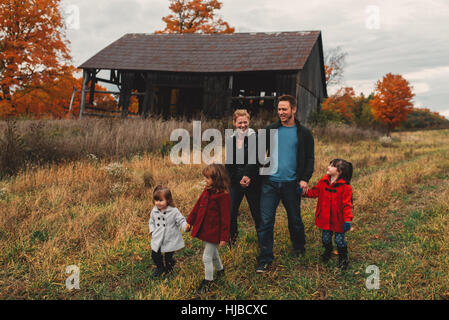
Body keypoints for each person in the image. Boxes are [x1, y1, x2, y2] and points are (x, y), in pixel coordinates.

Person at [256, 94, 315, 273]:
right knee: (266, 221)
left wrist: (305, 178)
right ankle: (265, 258)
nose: (281, 112)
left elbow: (310, 158)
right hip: (270, 184)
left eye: (284, 109)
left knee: (295, 219)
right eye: (279, 109)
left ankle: (299, 247)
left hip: (292, 184)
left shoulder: (304, 133)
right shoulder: (270, 130)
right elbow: (257, 154)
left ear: (293, 110)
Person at [185, 164, 231, 293]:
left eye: (208, 178)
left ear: (217, 179)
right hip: (205, 229)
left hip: (215, 232)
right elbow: (197, 205)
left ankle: (208, 281)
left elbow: (226, 218)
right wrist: (190, 221)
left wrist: (224, 237)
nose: (205, 180)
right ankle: (221, 270)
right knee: (213, 253)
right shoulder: (207, 190)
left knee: (206, 257)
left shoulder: (223, 196)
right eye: (205, 177)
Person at [303, 159, 353, 270]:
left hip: (339, 220)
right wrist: (303, 192)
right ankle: (328, 251)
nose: (328, 167)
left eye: (332, 166)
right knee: (325, 239)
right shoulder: (323, 181)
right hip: (325, 218)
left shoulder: (345, 187)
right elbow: (315, 192)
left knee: (339, 240)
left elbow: (347, 205)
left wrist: (348, 219)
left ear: (339, 171)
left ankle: (343, 259)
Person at [225, 109, 261, 245]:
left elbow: (255, 159)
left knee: (257, 212)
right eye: (240, 122)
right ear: (234, 123)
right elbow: (229, 163)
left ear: (249, 122)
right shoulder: (231, 140)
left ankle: (262, 241)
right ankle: (232, 241)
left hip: (252, 179)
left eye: (245, 122)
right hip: (235, 181)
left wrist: (247, 176)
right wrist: (229, 180)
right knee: (231, 211)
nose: (243, 125)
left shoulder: (255, 137)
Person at [149, 185, 188, 277]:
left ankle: (169, 268)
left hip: (170, 237)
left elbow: (181, 220)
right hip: (158, 237)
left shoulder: (174, 211)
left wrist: (185, 226)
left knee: (168, 256)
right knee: (155, 254)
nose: (158, 203)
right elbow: (151, 222)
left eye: (161, 200)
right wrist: (152, 230)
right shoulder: (154, 211)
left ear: (168, 200)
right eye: (156, 200)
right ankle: (160, 267)